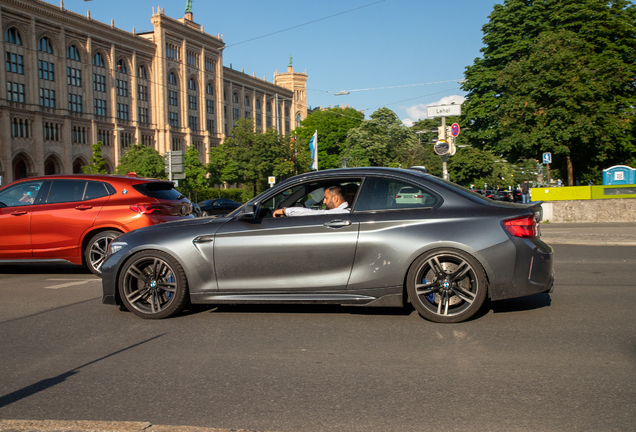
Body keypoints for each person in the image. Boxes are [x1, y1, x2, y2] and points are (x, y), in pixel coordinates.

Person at [273, 185, 350, 217]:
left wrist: (284, 211)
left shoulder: (342, 213)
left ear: (335, 198)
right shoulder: (346, 212)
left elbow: (314, 213)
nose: (324, 202)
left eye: (326, 198)